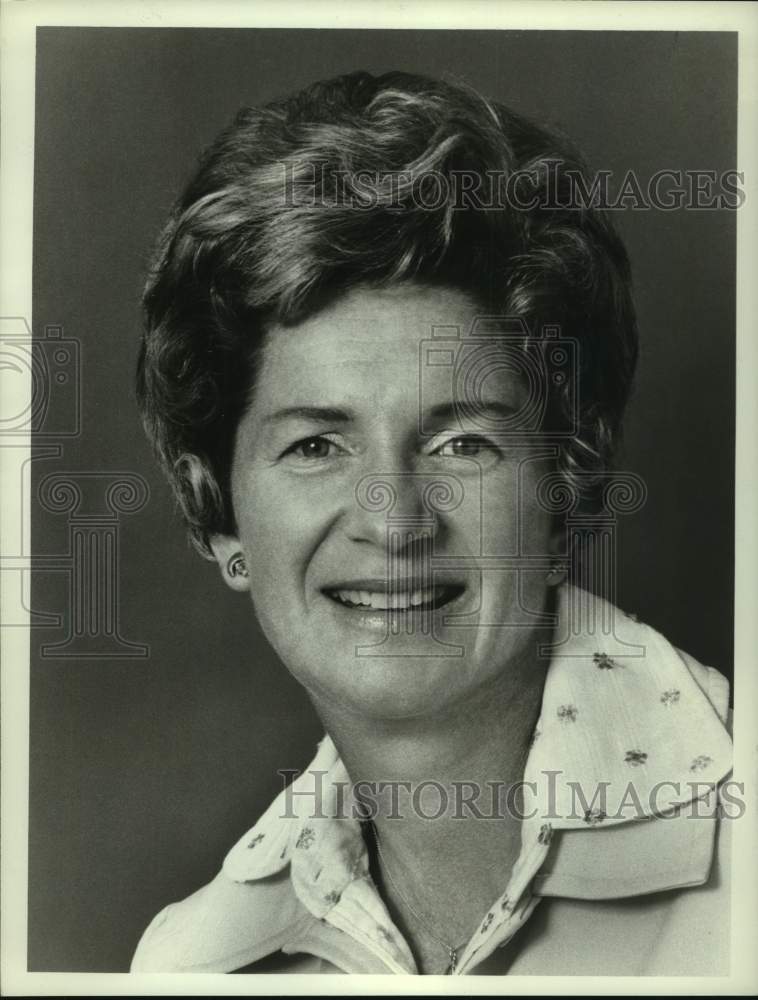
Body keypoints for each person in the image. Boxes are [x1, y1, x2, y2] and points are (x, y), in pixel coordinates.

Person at [130, 71, 733, 976]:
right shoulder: (191, 964)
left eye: (461, 444)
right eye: (315, 446)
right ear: (221, 516)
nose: (395, 522)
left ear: (563, 491)